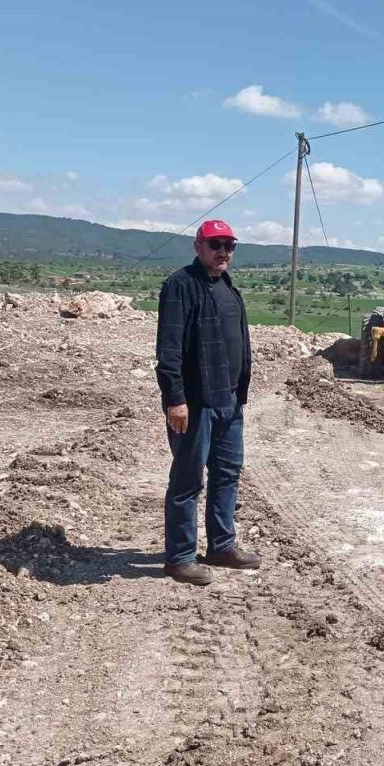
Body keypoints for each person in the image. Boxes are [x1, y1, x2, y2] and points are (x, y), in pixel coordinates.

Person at [154, 219, 260, 585]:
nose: (224, 252)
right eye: (216, 244)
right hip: (195, 403)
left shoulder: (227, 287)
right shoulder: (181, 285)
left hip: (229, 400)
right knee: (187, 479)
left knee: (227, 473)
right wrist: (175, 400)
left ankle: (221, 545)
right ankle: (180, 556)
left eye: (230, 245)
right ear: (198, 246)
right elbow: (168, 349)